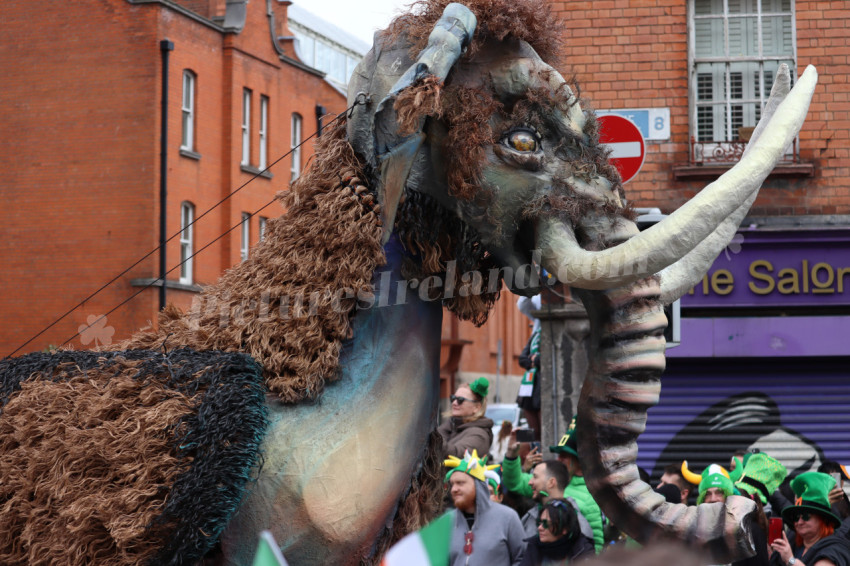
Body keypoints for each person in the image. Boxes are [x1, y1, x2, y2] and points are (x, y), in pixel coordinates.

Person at [504, 416, 604, 553]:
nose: (558, 459)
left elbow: (596, 543)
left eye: (564, 456)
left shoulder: (591, 496)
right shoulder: (546, 482)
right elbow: (514, 482)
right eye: (558, 455)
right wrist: (511, 454)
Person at [445, 450, 526, 566]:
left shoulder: (507, 517)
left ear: (478, 485)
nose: (454, 489)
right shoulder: (447, 520)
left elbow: (523, 559)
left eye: (460, 483)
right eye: (452, 484)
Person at [770, 471, 850, 566]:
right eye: (796, 517)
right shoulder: (793, 542)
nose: (799, 522)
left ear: (822, 519)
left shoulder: (834, 550)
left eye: (805, 516)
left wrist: (791, 561)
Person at [522, 459, 594, 545]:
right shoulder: (530, 517)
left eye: (535, 477)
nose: (530, 482)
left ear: (551, 482)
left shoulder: (577, 523)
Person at [520, 499, 595, 566]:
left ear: (565, 529)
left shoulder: (582, 550)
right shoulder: (534, 545)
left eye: (546, 524)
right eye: (540, 522)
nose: (540, 528)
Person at [438, 377, 494, 459]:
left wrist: (432, 438)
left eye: (460, 400)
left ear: (477, 407)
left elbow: (457, 455)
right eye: (453, 398)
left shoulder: (479, 435)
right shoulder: (451, 424)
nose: (454, 403)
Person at [516, 295, 542, 441]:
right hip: (530, 383)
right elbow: (522, 358)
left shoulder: (550, 332)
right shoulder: (535, 335)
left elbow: (542, 358)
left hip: (541, 382)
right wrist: (533, 362)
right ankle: (535, 452)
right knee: (533, 430)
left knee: (543, 426)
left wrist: (536, 360)